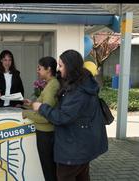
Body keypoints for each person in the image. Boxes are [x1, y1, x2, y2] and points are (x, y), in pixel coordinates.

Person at [32, 49, 108, 181]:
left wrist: (41, 108)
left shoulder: (78, 91)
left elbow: (62, 117)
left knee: (64, 176)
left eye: (61, 66)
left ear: (70, 66)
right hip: (81, 145)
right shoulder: (81, 82)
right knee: (82, 176)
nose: (59, 70)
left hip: (73, 149)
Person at [22, 56, 59, 181]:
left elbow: (45, 116)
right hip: (45, 134)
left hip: (46, 135)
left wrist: (27, 113)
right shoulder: (50, 84)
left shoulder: (52, 86)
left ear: (48, 69)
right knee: (48, 168)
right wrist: (31, 103)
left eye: (39, 68)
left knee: (49, 170)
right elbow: (42, 106)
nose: (37, 71)